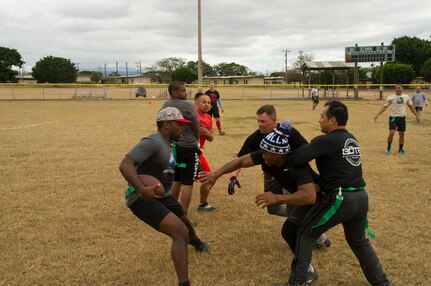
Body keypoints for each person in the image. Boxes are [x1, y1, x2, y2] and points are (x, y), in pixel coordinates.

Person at [199, 123, 324, 284]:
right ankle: (308, 266)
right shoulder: (267, 156)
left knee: (292, 230)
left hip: (319, 200)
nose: (262, 156)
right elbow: (240, 161)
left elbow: (309, 196)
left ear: (279, 155)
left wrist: (278, 198)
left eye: (266, 153)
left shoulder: (296, 164)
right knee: (292, 229)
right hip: (300, 198)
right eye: (262, 152)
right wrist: (215, 174)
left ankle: (307, 269)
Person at [287, 100, 393, 286]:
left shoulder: (326, 140)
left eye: (322, 116)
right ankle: (382, 283)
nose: (319, 120)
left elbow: (297, 159)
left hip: (339, 199)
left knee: (305, 234)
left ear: (332, 120)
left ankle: (298, 282)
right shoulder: (351, 138)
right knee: (359, 241)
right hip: (360, 198)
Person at [119, 107, 209, 286]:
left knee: (185, 222)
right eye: (179, 124)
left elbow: (172, 166)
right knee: (179, 232)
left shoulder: (171, 144)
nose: (183, 128)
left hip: (163, 194)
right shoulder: (152, 141)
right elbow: (125, 164)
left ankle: (196, 242)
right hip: (142, 198)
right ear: (167, 125)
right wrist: (141, 189)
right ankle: (184, 283)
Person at [228, 105, 331, 249]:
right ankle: (305, 221)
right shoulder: (256, 137)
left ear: (274, 120)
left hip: (291, 177)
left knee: (293, 211)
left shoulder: (290, 133)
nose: (259, 124)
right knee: (272, 209)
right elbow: (239, 159)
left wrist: (293, 169)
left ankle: (316, 237)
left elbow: (307, 153)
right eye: (258, 121)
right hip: (272, 176)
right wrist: (233, 177)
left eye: (263, 121)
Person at [162, 81, 201, 216]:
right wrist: (197, 139)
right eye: (183, 91)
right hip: (188, 147)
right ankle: (182, 214)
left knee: (177, 179)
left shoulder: (166, 104)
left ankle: (172, 211)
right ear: (174, 93)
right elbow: (196, 125)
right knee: (187, 183)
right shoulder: (187, 105)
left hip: (174, 147)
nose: (186, 93)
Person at [374, 84, 420, 155]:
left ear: (402, 88)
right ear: (395, 89)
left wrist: (417, 115)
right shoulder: (391, 97)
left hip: (402, 118)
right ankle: (388, 147)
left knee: (402, 134)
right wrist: (377, 114)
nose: (398, 89)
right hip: (393, 118)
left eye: (399, 88)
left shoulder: (406, 97)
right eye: (396, 88)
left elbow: (411, 107)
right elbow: (384, 107)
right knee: (392, 132)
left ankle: (401, 149)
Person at [194, 92, 217, 212]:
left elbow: (211, 138)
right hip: (188, 151)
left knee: (208, 178)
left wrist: (208, 133)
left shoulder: (208, 118)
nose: (207, 105)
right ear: (196, 102)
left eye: (209, 103)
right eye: (204, 102)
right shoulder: (191, 115)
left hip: (198, 153)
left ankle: (203, 204)